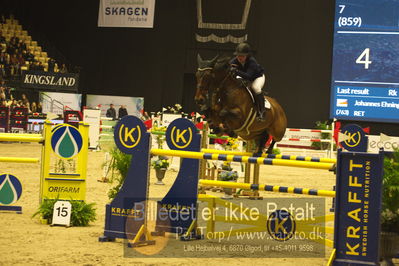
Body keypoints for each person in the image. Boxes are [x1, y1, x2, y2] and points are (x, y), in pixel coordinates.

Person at [229, 42, 266, 121]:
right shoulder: (234, 61)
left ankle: (262, 111)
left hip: (257, 77)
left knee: (256, 88)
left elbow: (249, 76)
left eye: (242, 56)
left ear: (247, 55)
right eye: (238, 55)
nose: (240, 57)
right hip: (245, 78)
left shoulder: (252, 62)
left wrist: (236, 71)